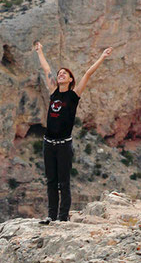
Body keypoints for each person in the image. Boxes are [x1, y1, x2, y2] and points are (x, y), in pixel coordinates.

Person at [34, 41, 112, 224]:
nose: (60, 74)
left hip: (63, 145)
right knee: (51, 181)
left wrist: (102, 56)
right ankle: (51, 216)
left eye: (65, 74)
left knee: (64, 183)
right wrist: (40, 51)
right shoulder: (53, 92)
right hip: (48, 144)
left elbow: (88, 73)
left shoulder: (73, 95)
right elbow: (46, 69)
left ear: (70, 80)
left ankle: (62, 218)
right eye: (60, 73)